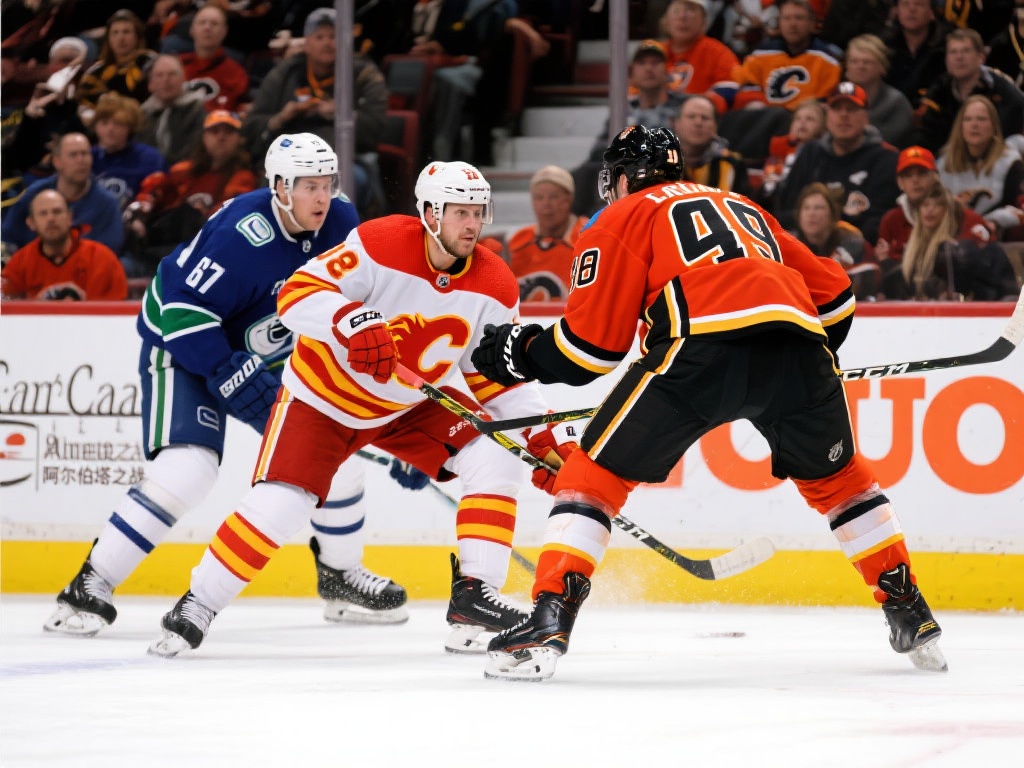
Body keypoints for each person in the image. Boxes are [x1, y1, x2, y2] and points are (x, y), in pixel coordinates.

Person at [470, 124, 947, 681]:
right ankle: (911, 614)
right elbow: (837, 298)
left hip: (697, 351)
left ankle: (549, 620)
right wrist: (800, 356)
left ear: (623, 178)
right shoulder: (742, 205)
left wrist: (518, 351)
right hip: (799, 347)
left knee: (591, 477)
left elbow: (587, 352)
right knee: (842, 482)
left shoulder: (621, 216)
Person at [146, 157, 579, 658]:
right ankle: (198, 603)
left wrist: (540, 436)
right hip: (321, 400)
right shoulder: (381, 243)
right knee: (284, 503)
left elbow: (493, 376)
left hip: (407, 406)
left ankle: (473, 601)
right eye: (460, 212)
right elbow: (297, 293)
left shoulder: (495, 282)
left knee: (495, 452)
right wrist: (350, 319)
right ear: (430, 213)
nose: (472, 224)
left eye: (478, 213)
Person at [42, 133, 421, 640]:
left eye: (327, 183)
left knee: (338, 458)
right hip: (184, 348)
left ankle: (340, 575)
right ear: (280, 187)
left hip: (268, 353)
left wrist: (401, 433)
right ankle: (90, 583)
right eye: (309, 186)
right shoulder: (241, 233)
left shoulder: (341, 221)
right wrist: (226, 371)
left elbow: (355, 312)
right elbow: (181, 312)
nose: (321, 196)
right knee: (188, 470)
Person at [241, 8, 388, 217]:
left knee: (344, 182)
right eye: (319, 37)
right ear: (307, 43)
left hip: (345, 159)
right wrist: (281, 117)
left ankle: (343, 233)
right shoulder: (285, 72)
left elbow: (377, 127)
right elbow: (251, 125)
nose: (327, 43)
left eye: (333, 36)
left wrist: (341, 115)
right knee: (272, 184)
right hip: (291, 159)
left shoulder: (364, 73)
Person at [122, 109, 258, 278]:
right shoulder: (183, 170)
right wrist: (140, 216)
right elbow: (153, 191)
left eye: (228, 132)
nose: (221, 137)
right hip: (162, 248)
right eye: (215, 131)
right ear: (204, 137)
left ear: (238, 138)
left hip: (205, 257)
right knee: (123, 264)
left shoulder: (243, 178)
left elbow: (228, 214)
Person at [775, 82, 900, 244]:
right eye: (836, 108)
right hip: (804, 245)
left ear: (866, 117)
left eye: (851, 109)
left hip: (858, 248)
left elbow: (880, 222)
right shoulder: (810, 152)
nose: (843, 115)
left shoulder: (885, 159)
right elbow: (787, 209)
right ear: (827, 116)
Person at [881, 179, 1018, 300]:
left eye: (938, 205)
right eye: (925, 205)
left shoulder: (961, 250)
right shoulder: (912, 253)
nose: (930, 210)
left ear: (947, 211)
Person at [1, 132, 124, 256]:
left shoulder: (107, 203)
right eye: (73, 155)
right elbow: (8, 236)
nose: (81, 160)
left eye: (85, 154)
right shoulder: (36, 194)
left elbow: (108, 253)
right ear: (57, 162)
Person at [876, 145, 992, 272]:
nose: (915, 180)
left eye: (922, 173)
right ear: (900, 182)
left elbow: (989, 262)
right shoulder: (891, 220)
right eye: (908, 175)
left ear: (936, 177)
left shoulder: (965, 217)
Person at [1, 189, 127, 301]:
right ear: (31, 223)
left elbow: (116, 312)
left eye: (57, 212)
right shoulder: (19, 264)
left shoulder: (102, 259)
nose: (51, 218)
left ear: (70, 217)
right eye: (43, 213)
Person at [915, 28, 1024, 154]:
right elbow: (925, 135)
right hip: (950, 158)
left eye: (966, 51)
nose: (959, 57)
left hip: (997, 155)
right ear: (946, 59)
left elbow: (1013, 126)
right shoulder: (939, 90)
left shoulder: (1003, 90)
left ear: (981, 57)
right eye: (953, 52)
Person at [936, 95, 1024, 239]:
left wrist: (993, 222)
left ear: (994, 126)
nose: (974, 125)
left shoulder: (1010, 163)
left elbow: (1018, 209)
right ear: (960, 126)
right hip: (949, 235)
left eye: (981, 119)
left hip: (994, 237)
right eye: (968, 119)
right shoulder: (943, 164)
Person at [508, 165, 588, 302]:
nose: (546, 204)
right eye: (539, 197)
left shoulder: (589, 236)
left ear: (569, 199)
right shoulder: (517, 242)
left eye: (553, 197)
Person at [791, 182, 880, 299]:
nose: (811, 213)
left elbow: (872, 278)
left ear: (832, 215)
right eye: (806, 208)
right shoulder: (785, 248)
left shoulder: (855, 244)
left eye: (818, 208)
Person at [76, 9, 157, 123]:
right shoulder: (95, 72)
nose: (121, 38)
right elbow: (84, 105)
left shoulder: (150, 63)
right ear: (108, 38)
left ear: (137, 36)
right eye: (115, 32)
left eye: (126, 32)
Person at [90, 92, 168, 210]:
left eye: (118, 123)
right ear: (96, 126)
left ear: (130, 127)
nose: (110, 129)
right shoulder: (85, 158)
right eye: (104, 123)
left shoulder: (149, 158)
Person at [843, 34, 915, 149]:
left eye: (867, 62)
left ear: (882, 66)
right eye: (854, 61)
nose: (860, 66)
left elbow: (895, 139)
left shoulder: (896, 102)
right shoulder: (837, 98)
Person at [137, 54, 208, 166]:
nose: (166, 80)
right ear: (150, 84)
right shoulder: (142, 115)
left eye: (172, 74)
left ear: (183, 79)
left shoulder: (197, 111)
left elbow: (194, 151)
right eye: (159, 75)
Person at [178, 3, 250, 113]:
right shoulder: (176, 66)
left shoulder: (236, 73)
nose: (207, 28)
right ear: (192, 29)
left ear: (225, 31)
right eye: (202, 22)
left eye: (214, 23)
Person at [881, 0, 952, 112]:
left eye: (919, 4)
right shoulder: (884, 47)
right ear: (896, 11)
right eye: (905, 4)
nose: (912, 9)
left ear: (931, 12)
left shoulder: (947, 48)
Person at [674, 94, 751, 195]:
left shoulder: (733, 163)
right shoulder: (662, 161)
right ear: (676, 123)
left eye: (705, 118)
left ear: (715, 126)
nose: (698, 122)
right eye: (691, 116)